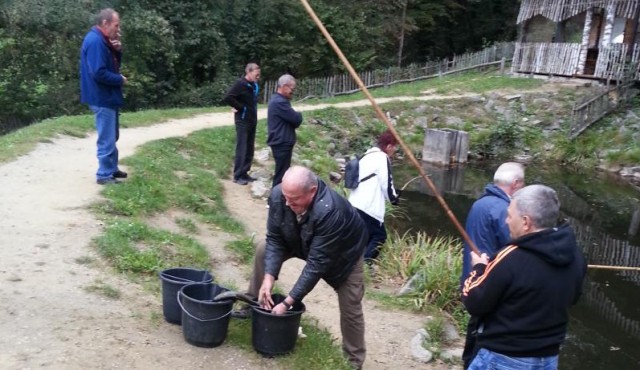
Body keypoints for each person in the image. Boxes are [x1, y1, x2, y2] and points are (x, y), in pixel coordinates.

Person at [247, 166, 368, 369]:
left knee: (351, 305)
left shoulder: (331, 211)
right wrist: (269, 278)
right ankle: (252, 302)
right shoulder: (280, 195)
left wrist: (287, 304)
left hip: (343, 254)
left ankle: (353, 361)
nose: (287, 202)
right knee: (263, 249)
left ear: (312, 191)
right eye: (286, 196)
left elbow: (316, 265)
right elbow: (275, 238)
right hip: (299, 239)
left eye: (294, 199)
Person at [462, 184, 587, 370]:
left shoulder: (511, 257)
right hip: (548, 359)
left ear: (526, 222)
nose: (506, 221)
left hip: (503, 358)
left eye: (510, 216)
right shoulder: (576, 257)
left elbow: (474, 301)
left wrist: (479, 268)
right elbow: (573, 298)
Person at [460, 161, 524, 367]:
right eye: (522, 184)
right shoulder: (503, 210)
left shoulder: (481, 203)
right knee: (482, 330)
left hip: (473, 276)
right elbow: (515, 247)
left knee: (475, 325)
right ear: (515, 183)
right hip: (488, 279)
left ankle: (468, 360)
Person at [80, 8, 128, 185]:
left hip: (107, 95)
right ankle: (104, 174)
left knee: (112, 134)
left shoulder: (104, 41)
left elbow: (111, 65)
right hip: (101, 96)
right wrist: (120, 80)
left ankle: (112, 168)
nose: (118, 29)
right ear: (105, 23)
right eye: (116, 25)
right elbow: (99, 73)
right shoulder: (95, 41)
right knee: (106, 137)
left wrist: (117, 51)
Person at [348, 130, 400, 263]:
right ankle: (365, 265)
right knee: (379, 236)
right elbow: (386, 184)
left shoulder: (367, 154)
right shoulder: (382, 158)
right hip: (368, 207)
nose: (394, 150)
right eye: (394, 147)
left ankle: (354, 264)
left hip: (354, 203)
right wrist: (394, 199)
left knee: (362, 237)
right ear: (389, 146)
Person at [223, 63, 261, 185]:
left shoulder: (254, 85)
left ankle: (245, 172)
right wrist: (240, 108)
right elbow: (228, 97)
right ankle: (237, 175)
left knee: (250, 148)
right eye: (256, 73)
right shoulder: (240, 84)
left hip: (252, 120)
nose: (258, 76)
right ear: (249, 72)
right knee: (242, 147)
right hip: (242, 120)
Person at [267, 74, 303, 187]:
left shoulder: (279, 100)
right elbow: (296, 119)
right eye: (292, 89)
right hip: (281, 143)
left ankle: (277, 200)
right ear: (284, 86)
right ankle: (274, 201)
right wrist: (299, 115)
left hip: (281, 142)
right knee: (281, 175)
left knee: (282, 172)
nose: (293, 91)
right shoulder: (279, 102)